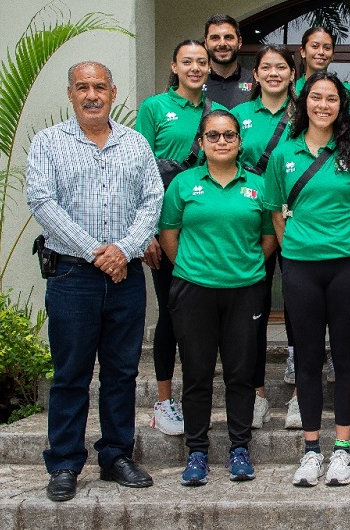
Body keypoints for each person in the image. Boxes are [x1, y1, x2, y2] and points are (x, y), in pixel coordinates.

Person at [27, 61, 162, 501]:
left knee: (122, 372)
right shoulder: (49, 142)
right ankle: (65, 462)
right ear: (70, 94)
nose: (91, 94)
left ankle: (117, 455)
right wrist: (96, 253)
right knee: (71, 373)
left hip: (126, 275)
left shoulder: (135, 143)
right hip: (71, 274)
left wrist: (124, 249)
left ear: (113, 92)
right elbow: (42, 201)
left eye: (99, 87)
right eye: (82, 87)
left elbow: (152, 200)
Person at [263, 71, 350, 487]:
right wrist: (295, 249)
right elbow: (276, 210)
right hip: (300, 266)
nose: (323, 105)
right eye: (316, 98)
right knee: (307, 360)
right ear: (303, 102)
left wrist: (341, 242)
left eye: (332, 99)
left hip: (348, 265)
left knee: (345, 359)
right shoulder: (283, 153)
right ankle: (311, 450)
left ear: (341, 106)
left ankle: (342, 451)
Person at [160, 110, 278, 486]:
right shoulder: (182, 184)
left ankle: (239, 449)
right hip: (193, 290)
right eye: (213, 136)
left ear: (240, 142)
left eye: (229, 135)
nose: (222, 141)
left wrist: (242, 269)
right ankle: (197, 452)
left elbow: (268, 237)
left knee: (240, 374)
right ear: (201, 142)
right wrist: (195, 270)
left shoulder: (258, 186)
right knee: (196, 374)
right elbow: (169, 234)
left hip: (245, 291)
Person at [136, 40, 222, 437]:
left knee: (200, 318)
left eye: (201, 62)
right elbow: (139, 173)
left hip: (204, 232)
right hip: (165, 231)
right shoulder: (154, 108)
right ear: (174, 65)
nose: (195, 67)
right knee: (172, 313)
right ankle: (164, 401)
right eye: (187, 61)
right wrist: (147, 235)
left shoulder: (215, 113)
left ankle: (194, 397)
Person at [230, 45, 298, 431]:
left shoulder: (302, 115)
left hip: (295, 223)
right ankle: (255, 395)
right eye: (266, 67)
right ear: (254, 75)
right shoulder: (238, 116)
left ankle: (297, 395)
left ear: (293, 74)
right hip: (252, 221)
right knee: (253, 311)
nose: (274, 73)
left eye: (282, 68)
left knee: (297, 310)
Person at [203, 13, 254, 109]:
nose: (222, 43)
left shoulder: (255, 82)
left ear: (239, 42)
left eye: (228, 37)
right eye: (215, 38)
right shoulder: (196, 82)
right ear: (206, 43)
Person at [295, 26, 336, 94]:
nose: (321, 52)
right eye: (315, 46)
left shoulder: (346, 92)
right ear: (303, 52)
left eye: (327, 48)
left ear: (333, 55)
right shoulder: (291, 90)